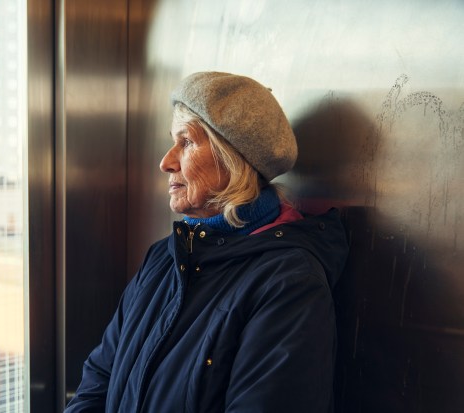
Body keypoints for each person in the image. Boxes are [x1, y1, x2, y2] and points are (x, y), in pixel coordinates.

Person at [64, 71, 349, 412]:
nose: (166, 162)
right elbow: (98, 381)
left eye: (186, 142)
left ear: (234, 159)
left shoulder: (288, 283)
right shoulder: (163, 257)